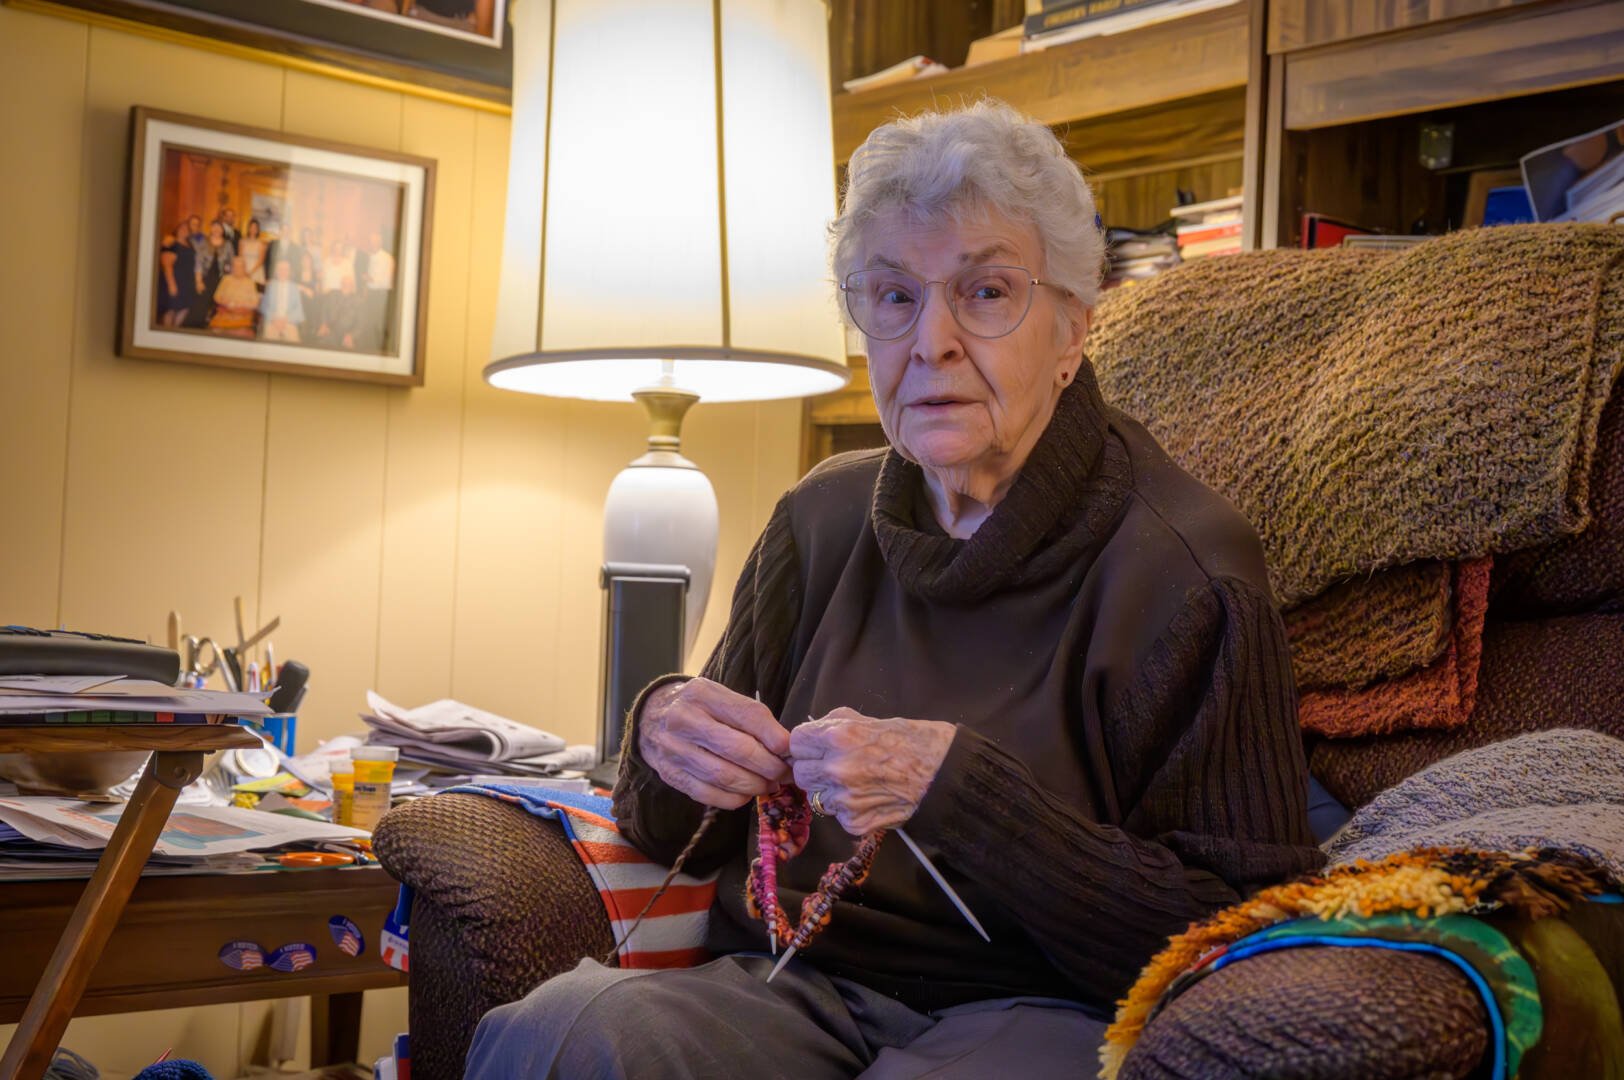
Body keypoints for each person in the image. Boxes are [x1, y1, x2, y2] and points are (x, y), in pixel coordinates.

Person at [465, 101, 1323, 1079]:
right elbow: (673, 832)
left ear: (1072, 331)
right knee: (564, 1031)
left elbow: (1239, 932)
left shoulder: (1187, 569)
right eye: (893, 297)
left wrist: (959, 795)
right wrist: (664, 736)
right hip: (789, 985)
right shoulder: (818, 521)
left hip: (1043, 1006)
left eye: (986, 292)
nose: (932, 341)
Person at [189, 220, 232, 329]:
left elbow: (231, 263)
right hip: (205, 279)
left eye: (219, 227)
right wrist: (198, 281)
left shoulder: (228, 244)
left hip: (221, 280)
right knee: (200, 307)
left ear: (223, 230)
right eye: (214, 226)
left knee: (216, 308)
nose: (216, 229)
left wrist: (228, 280)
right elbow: (198, 263)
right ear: (211, 228)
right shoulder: (203, 242)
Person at [156, 220, 196, 328]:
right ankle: (167, 332)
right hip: (174, 280)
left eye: (186, 229)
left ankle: (175, 330)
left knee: (185, 308)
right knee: (171, 309)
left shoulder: (190, 244)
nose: (184, 230)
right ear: (177, 230)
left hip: (186, 282)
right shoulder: (171, 243)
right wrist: (171, 284)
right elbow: (166, 264)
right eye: (181, 228)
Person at [208, 253, 258, 336]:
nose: (237, 269)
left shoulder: (250, 282)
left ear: (244, 268)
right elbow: (216, 296)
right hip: (225, 313)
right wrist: (227, 303)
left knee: (241, 333)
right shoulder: (226, 279)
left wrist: (240, 305)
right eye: (235, 266)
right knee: (215, 332)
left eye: (240, 267)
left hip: (242, 314)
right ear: (232, 268)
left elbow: (255, 303)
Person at [258, 258, 305, 342]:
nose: (283, 272)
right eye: (280, 269)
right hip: (272, 321)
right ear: (276, 271)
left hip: (289, 322)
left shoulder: (294, 288)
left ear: (289, 272)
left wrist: (286, 320)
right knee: (267, 345)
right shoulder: (270, 286)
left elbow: (299, 310)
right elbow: (263, 307)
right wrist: (274, 318)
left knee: (294, 345)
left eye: (286, 269)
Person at [237, 217, 267, 288]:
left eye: (255, 228)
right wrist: (244, 271)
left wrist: (250, 272)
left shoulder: (261, 243)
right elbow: (240, 257)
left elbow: (261, 261)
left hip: (256, 271)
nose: (253, 229)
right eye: (251, 227)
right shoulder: (242, 241)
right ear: (248, 228)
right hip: (244, 269)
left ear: (258, 230)